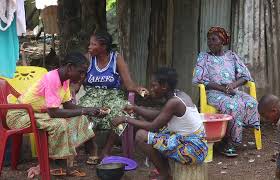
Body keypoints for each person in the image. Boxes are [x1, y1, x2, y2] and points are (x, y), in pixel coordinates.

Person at [6, 52, 106, 177]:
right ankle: (51, 163)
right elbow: (54, 112)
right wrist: (85, 110)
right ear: (70, 67)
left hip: (37, 114)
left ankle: (63, 162)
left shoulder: (64, 81)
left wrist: (91, 110)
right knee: (59, 124)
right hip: (19, 115)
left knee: (81, 119)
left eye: (84, 73)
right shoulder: (52, 78)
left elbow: (68, 105)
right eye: (80, 72)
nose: (82, 76)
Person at [112, 67, 208, 180]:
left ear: (164, 86)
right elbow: (159, 115)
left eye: (154, 86)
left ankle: (164, 174)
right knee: (155, 132)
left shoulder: (174, 102)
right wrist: (135, 108)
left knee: (142, 136)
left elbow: (153, 125)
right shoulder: (177, 95)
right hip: (193, 143)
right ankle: (166, 171)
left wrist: (125, 119)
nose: (151, 89)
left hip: (193, 150)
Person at [78, 31, 148, 164]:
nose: (89, 47)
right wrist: (69, 90)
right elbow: (77, 82)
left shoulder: (116, 58)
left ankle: (107, 150)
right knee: (83, 113)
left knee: (124, 112)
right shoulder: (88, 59)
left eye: (93, 44)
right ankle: (92, 148)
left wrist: (138, 88)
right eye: (90, 44)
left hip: (113, 95)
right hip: (92, 95)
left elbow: (129, 84)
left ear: (103, 47)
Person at [192, 26, 260, 156]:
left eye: (213, 39)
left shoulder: (232, 56)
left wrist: (233, 85)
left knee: (251, 102)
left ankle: (232, 137)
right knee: (232, 106)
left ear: (222, 41)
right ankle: (229, 142)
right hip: (214, 94)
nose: (210, 42)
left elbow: (245, 76)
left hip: (233, 91)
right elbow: (201, 80)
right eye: (208, 40)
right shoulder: (204, 57)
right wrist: (222, 88)